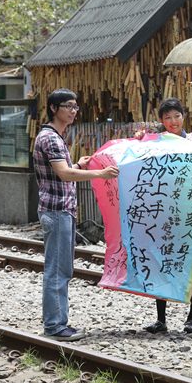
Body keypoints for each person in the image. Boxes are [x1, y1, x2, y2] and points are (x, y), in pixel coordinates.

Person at [34, 88, 118, 341]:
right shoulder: (50, 138)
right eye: (68, 106)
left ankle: (57, 323)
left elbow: (66, 170)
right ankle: (55, 326)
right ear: (53, 108)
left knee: (61, 268)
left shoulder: (56, 137)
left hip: (61, 210)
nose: (73, 111)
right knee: (58, 270)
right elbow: (64, 174)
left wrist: (79, 165)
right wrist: (99, 174)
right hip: (57, 210)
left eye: (75, 107)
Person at [141, 97, 192, 335]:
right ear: (161, 120)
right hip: (164, 213)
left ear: (184, 116)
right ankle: (161, 319)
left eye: (176, 116)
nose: (173, 121)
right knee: (160, 263)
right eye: (167, 117)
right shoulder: (155, 143)